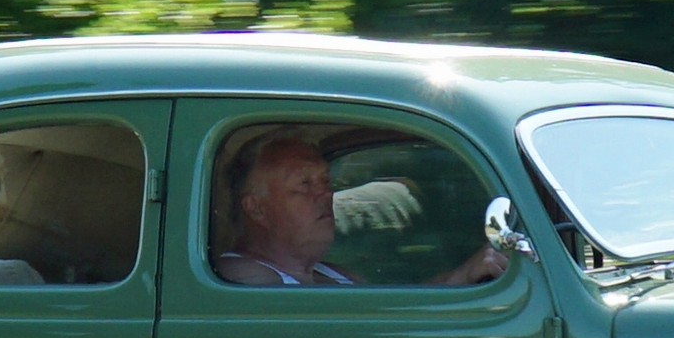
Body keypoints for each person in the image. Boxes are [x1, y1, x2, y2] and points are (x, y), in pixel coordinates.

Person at [213, 133, 509, 287]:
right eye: (304, 184)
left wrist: (467, 273)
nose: (324, 193)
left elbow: (394, 310)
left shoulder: (333, 273)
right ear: (257, 209)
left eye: (325, 181)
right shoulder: (242, 277)